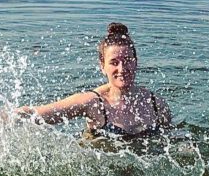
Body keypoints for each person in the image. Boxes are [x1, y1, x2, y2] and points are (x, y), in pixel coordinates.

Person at [15, 22, 171, 139]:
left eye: (128, 60)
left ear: (136, 62)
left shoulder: (156, 105)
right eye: (114, 62)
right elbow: (40, 114)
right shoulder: (93, 103)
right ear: (102, 66)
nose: (122, 69)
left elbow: (169, 139)